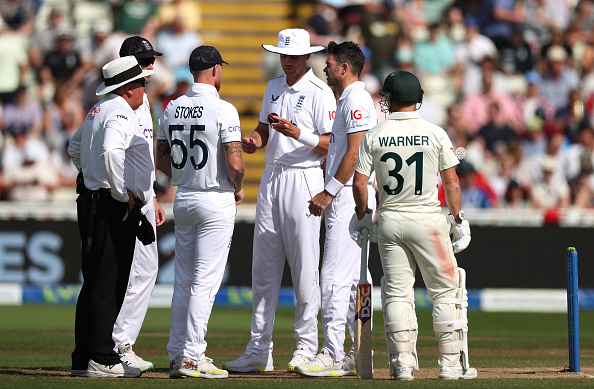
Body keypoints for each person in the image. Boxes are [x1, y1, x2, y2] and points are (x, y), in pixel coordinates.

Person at [351, 70, 478, 380]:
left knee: (396, 295)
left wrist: (364, 213)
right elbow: (451, 182)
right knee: (445, 293)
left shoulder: (375, 134)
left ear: (389, 100)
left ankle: (401, 365)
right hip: (428, 220)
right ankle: (449, 365)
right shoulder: (436, 133)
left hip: (391, 220)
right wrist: (458, 219)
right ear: (418, 99)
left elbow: (359, 183)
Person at [223, 28, 336, 373]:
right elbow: (263, 129)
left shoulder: (320, 92)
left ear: (306, 57)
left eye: (292, 56)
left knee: (304, 267)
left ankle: (305, 346)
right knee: (264, 268)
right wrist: (255, 141)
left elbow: (333, 144)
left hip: (304, 177)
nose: (286, 61)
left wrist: (296, 133)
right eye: (282, 55)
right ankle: (259, 348)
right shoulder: (273, 86)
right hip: (273, 176)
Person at [156, 45, 245, 379]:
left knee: (183, 281)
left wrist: (182, 177)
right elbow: (235, 163)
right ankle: (193, 356)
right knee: (204, 283)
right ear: (215, 71)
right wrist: (236, 186)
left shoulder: (172, 107)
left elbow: (160, 157)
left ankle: (177, 354)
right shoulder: (224, 109)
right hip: (215, 197)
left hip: (184, 196)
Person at [68, 56, 155, 378]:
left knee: (95, 282)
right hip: (110, 204)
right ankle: (102, 357)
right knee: (109, 282)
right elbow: (110, 152)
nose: (146, 91)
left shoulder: (99, 109)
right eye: (143, 84)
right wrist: (120, 194)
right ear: (130, 88)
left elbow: (75, 147)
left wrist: (90, 175)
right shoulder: (119, 110)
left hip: (95, 200)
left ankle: (85, 357)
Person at [295, 41, 377, 377]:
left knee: (331, 278)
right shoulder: (350, 98)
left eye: (329, 63)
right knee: (359, 280)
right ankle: (359, 352)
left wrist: (328, 193)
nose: (324, 68)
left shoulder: (356, 98)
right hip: (349, 194)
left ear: (345, 67)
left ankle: (332, 353)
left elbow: (356, 154)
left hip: (347, 196)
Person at [111, 35, 166, 372]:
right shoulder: (122, 99)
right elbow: (110, 152)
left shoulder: (142, 98)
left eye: (151, 59)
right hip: (126, 199)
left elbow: (144, 153)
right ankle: (118, 344)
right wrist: (120, 191)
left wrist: (154, 196)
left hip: (144, 198)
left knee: (144, 269)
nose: (151, 66)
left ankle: (118, 342)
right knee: (128, 271)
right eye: (145, 61)